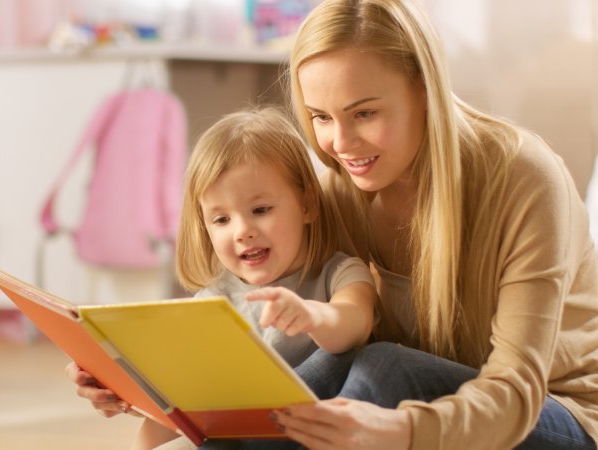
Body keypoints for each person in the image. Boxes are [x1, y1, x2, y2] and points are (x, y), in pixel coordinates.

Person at [70, 0, 598, 448]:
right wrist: (142, 381)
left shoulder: (524, 179)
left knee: (383, 366)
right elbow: (270, 324)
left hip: (556, 412)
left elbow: (516, 393)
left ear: (424, 88)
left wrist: (400, 430)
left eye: (364, 113)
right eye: (321, 117)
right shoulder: (339, 187)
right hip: (423, 398)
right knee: (331, 361)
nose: (339, 144)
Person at [70, 107, 378, 450]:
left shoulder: (340, 273)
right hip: (233, 432)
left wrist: (314, 316)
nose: (242, 231)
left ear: (307, 203)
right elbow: (177, 402)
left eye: (260, 210)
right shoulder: (211, 303)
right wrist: (116, 387)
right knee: (161, 428)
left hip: (308, 433)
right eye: (221, 220)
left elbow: (355, 321)